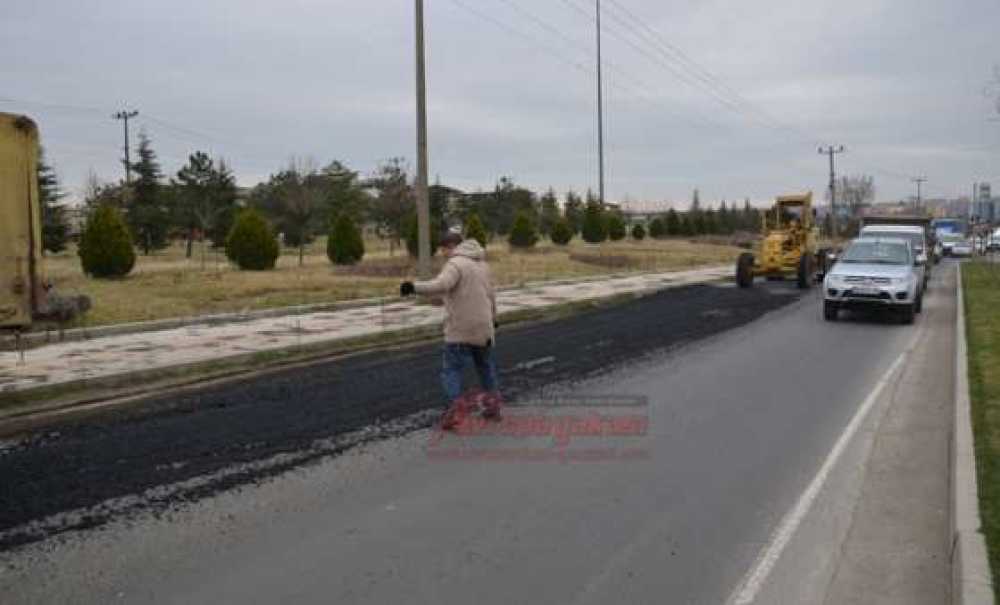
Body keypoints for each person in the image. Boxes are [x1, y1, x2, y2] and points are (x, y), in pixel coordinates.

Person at [400, 232, 502, 429]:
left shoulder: (456, 264)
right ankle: (493, 408)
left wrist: (413, 287)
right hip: (484, 327)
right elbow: (491, 295)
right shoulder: (482, 264)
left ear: (451, 246)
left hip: (460, 329)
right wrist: (494, 319)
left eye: (443, 249)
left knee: (452, 371)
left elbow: (441, 284)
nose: (443, 253)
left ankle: (454, 412)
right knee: (485, 368)